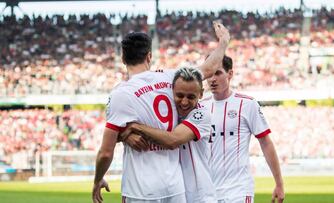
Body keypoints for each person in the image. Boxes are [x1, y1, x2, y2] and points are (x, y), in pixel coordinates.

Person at [92, 22, 230, 203]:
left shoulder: (120, 94)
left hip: (139, 190)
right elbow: (209, 68)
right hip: (174, 186)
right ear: (149, 56)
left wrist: (97, 179)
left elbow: (105, 152)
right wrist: (224, 42)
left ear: (123, 59)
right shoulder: (171, 78)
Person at [122, 67, 217, 203]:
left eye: (191, 97)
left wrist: (135, 127)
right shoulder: (169, 111)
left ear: (201, 94)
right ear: (171, 91)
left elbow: (173, 140)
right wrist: (126, 134)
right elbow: (116, 129)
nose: (184, 102)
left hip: (200, 197)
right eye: (179, 95)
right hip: (176, 194)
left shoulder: (201, 114)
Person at [202, 55, 285, 203]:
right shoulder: (200, 107)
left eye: (218, 73)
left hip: (238, 190)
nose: (212, 79)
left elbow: (265, 143)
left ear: (230, 74)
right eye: (209, 74)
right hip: (207, 192)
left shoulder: (247, 104)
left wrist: (279, 183)